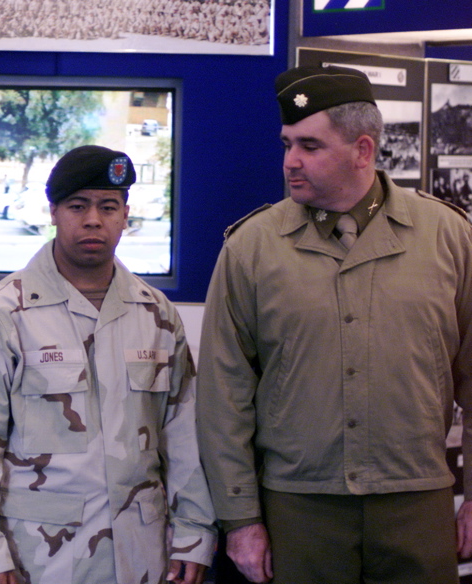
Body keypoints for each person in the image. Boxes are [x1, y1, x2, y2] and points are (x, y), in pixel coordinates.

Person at [196, 64, 472, 584]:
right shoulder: (253, 248)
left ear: (363, 150)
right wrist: (240, 518)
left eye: (310, 146)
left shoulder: (447, 237)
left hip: (415, 502)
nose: (290, 161)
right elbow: (222, 394)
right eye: (286, 144)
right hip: (299, 508)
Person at [0, 145, 217, 584]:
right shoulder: (2, 313)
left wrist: (194, 532)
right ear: (53, 212)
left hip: (142, 556)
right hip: (40, 558)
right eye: (77, 206)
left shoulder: (156, 314)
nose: (93, 220)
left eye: (108, 206)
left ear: (125, 215)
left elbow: (183, 435)